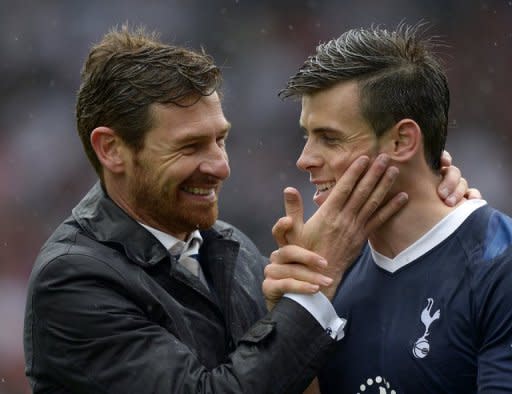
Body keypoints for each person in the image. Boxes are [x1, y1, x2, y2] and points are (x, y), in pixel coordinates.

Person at [23, 25, 469, 393]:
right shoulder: (73, 279)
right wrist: (311, 289)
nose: (220, 166)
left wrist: (424, 187)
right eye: (190, 146)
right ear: (112, 150)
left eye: (220, 139)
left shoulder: (228, 247)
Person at [263, 23, 512, 393]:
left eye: (329, 138)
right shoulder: (321, 270)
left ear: (401, 140)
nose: (305, 159)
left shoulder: (498, 262)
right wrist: (295, 312)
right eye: (307, 136)